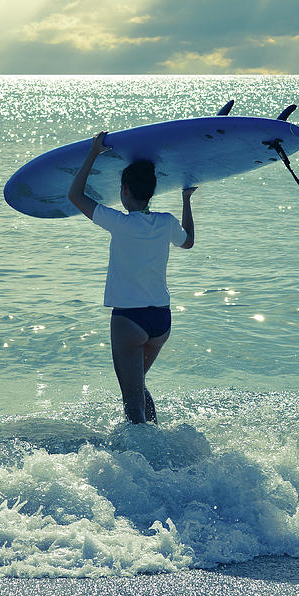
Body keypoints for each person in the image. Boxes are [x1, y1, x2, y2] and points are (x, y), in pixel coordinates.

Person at [68, 131, 196, 424]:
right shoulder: (165, 222)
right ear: (151, 192)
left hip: (129, 321)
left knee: (131, 400)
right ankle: (154, 439)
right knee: (137, 387)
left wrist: (93, 154)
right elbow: (187, 241)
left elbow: (75, 195)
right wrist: (185, 198)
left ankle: (140, 456)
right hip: (161, 321)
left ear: (124, 190)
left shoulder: (119, 222)